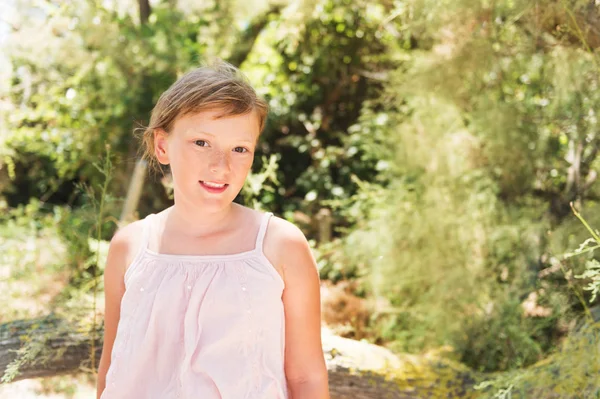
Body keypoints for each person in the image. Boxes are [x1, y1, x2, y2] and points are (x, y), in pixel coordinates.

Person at [96, 60, 330, 399]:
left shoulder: (279, 246)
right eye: (202, 143)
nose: (221, 166)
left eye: (239, 149)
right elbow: (112, 372)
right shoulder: (130, 248)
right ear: (162, 147)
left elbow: (306, 378)